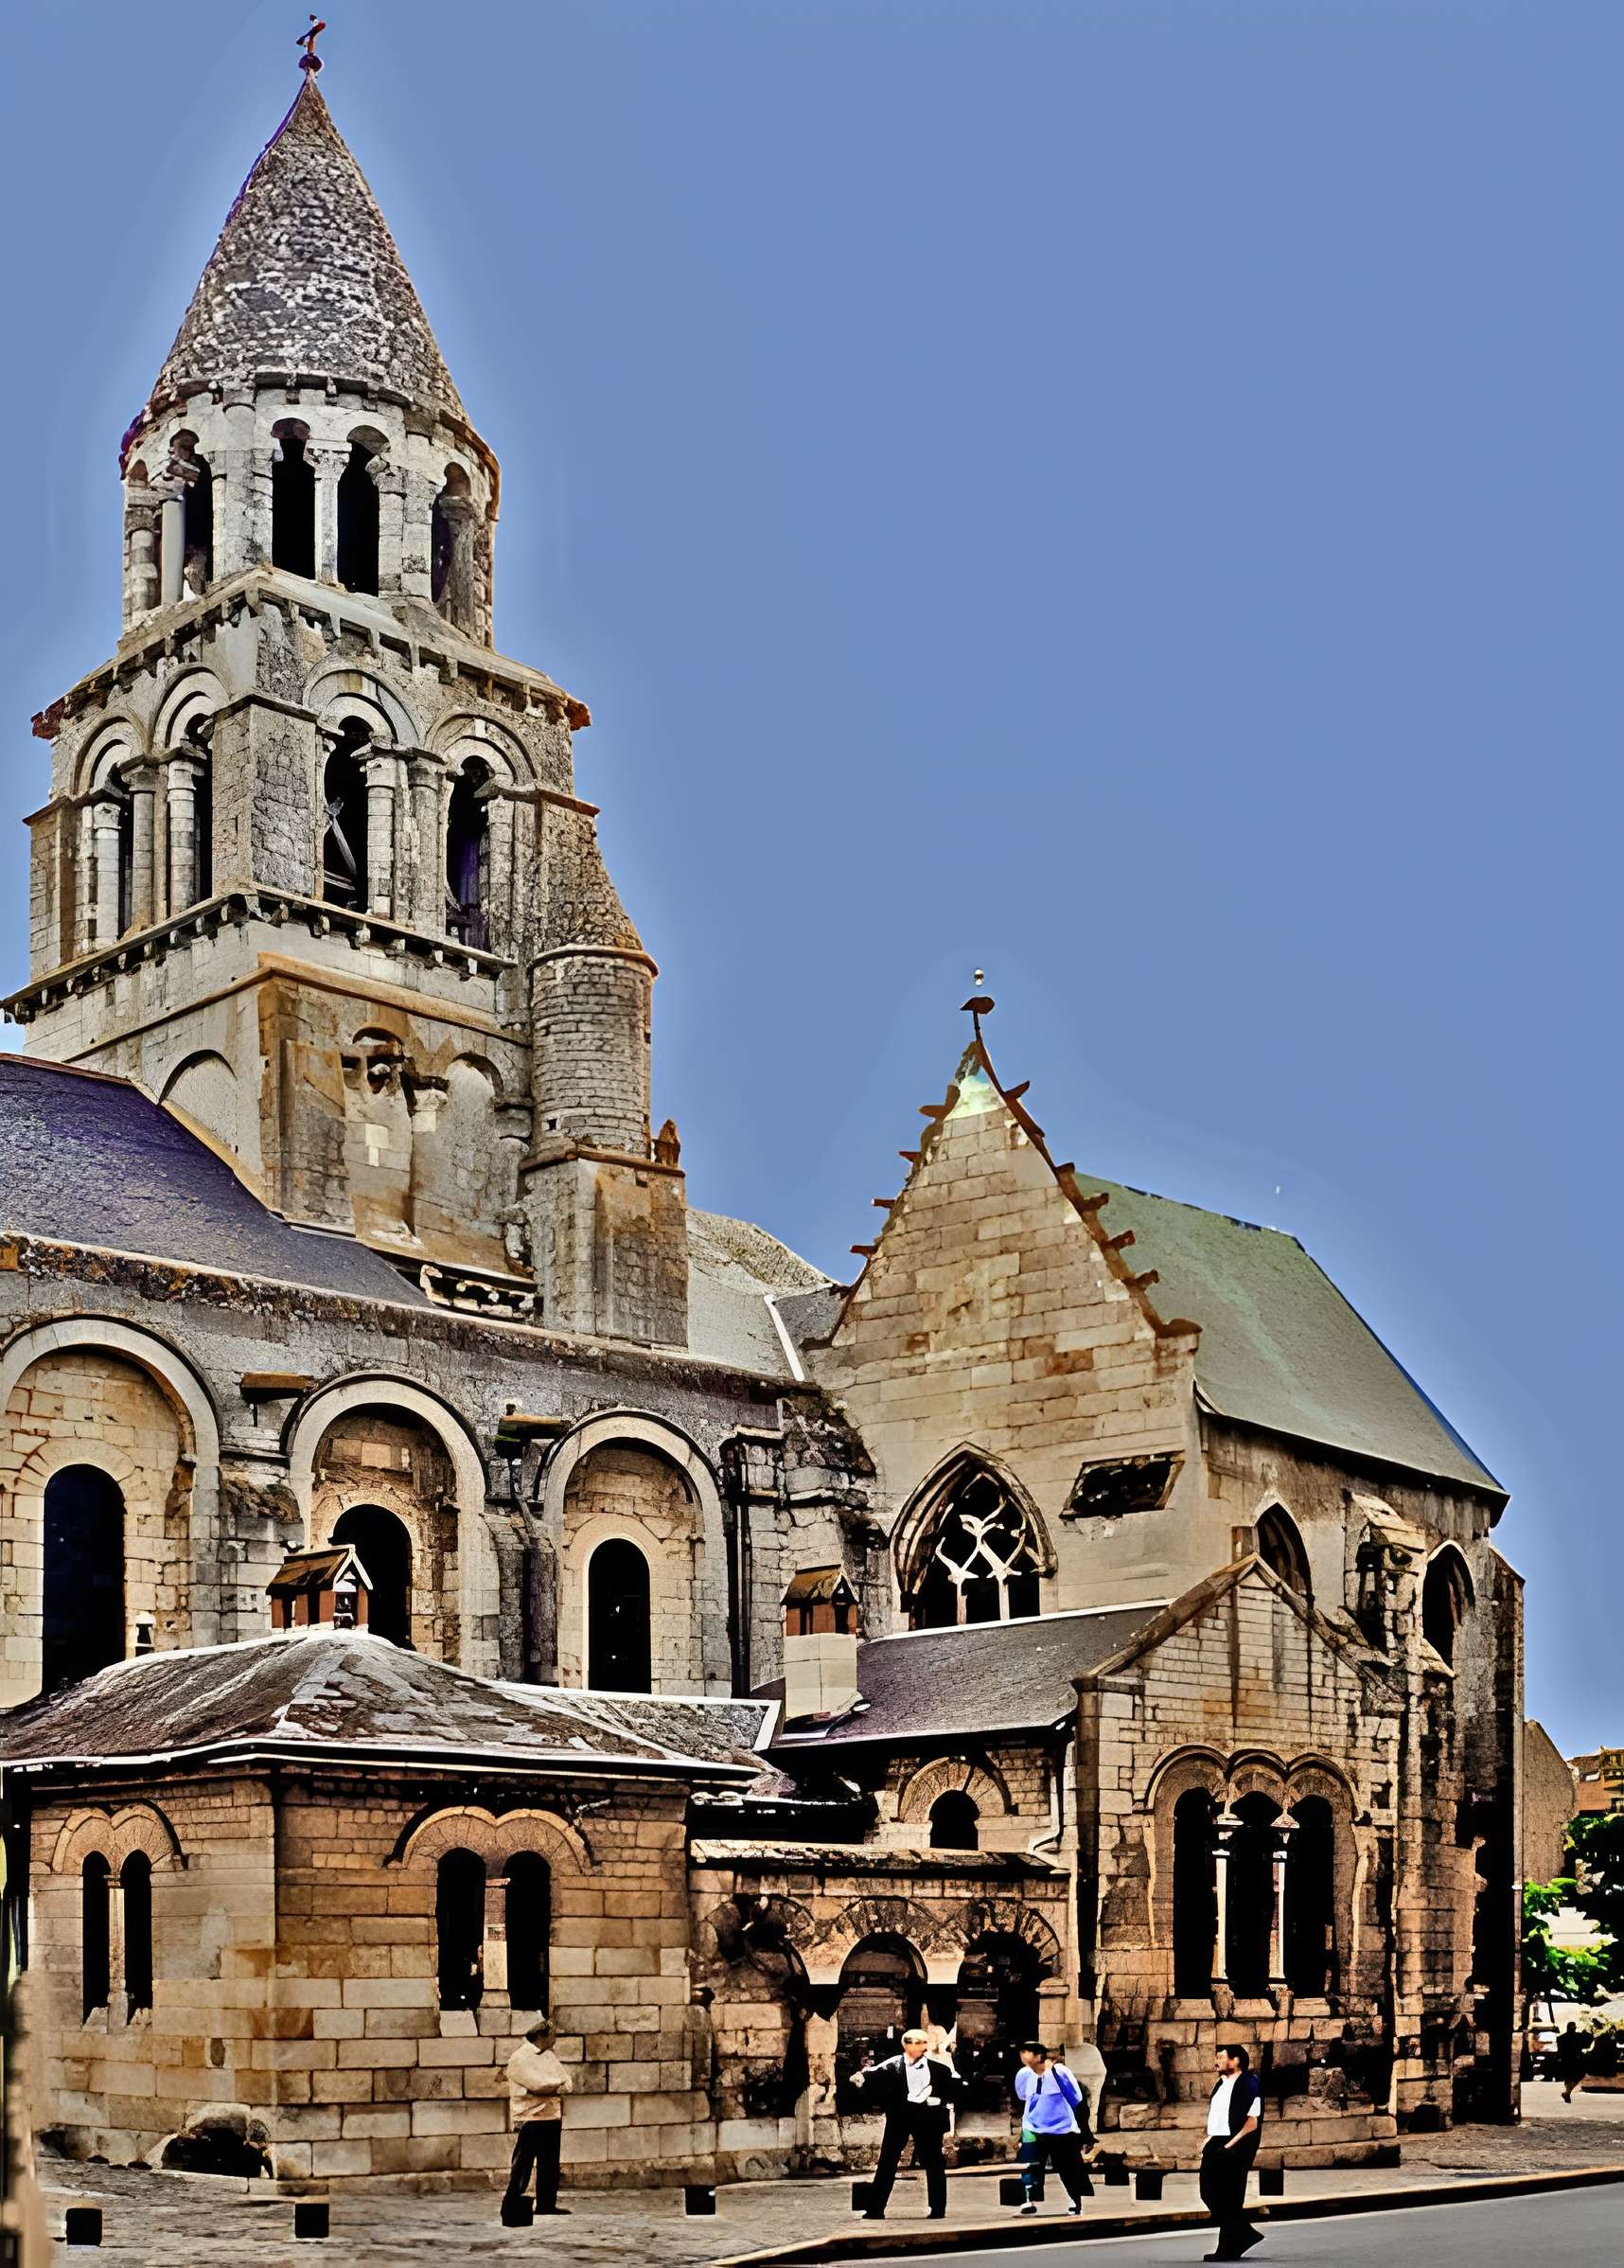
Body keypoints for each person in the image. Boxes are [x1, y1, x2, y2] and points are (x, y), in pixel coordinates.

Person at [850, 2028, 962, 2221]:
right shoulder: (891, 2065)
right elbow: (868, 2078)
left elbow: (953, 2089)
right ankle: (875, 2209)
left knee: (934, 2163)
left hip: (927, 2119)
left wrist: (940, 2101)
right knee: (887, 2161)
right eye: (917, 2043)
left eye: (923, 2043)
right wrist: (858, 2080)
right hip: (900, 2117)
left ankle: (937, 2208)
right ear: (906, 2045)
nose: (921, 2047)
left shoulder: (939, 2069)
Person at [501, 2015, 574, 2224]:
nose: (556, 2039)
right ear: (543, 2035)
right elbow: (537, 2085)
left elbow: (568, 2083)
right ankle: (512, 2204)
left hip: (551, 2114)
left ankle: (546, 2205)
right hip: (530, 2117)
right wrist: (555, 2084)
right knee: (523, 2163)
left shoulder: (549, 2056)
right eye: (554, 2035)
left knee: (549, 2163)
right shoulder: (519, 2058)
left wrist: (555, 2084)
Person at [1200, 2043, 1263, 2261]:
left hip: (1236, 2144)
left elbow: (1252, 2121)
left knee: (1229, 2197)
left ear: (1235, 2061)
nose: (1216, 2060)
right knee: (1208, 2192)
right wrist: (1209, 2140)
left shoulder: (1249, 2083)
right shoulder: (1220, 2084)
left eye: (1220, 2056)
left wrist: (1229, 2146)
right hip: (1216, 2141)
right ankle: (1244, 2233)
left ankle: (1228, 2248)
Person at [1012, 2042, 1090, 2216]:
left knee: (1069, 2168)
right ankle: (1029, 2200)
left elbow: (1076, 2096)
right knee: (1032, 2166)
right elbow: (1022, 2095)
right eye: (1022, 2051)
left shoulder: (1060, 2072)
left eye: (1027, 2052)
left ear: (1039, 2056)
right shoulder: (1024, 2074)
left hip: (1061, 2128)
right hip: (1033, 2127)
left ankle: (1075, 2200)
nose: (1023, 2056)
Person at [1556, 2023, 1587, 2103]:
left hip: (1568, 2061)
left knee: (1570, 2078)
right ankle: (1567, 2093)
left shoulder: (1561, 2038)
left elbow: (1560, 2051)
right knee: (1575, 2077)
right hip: (1574, 2060)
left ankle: (1567, 2093)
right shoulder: (1578, 2037)